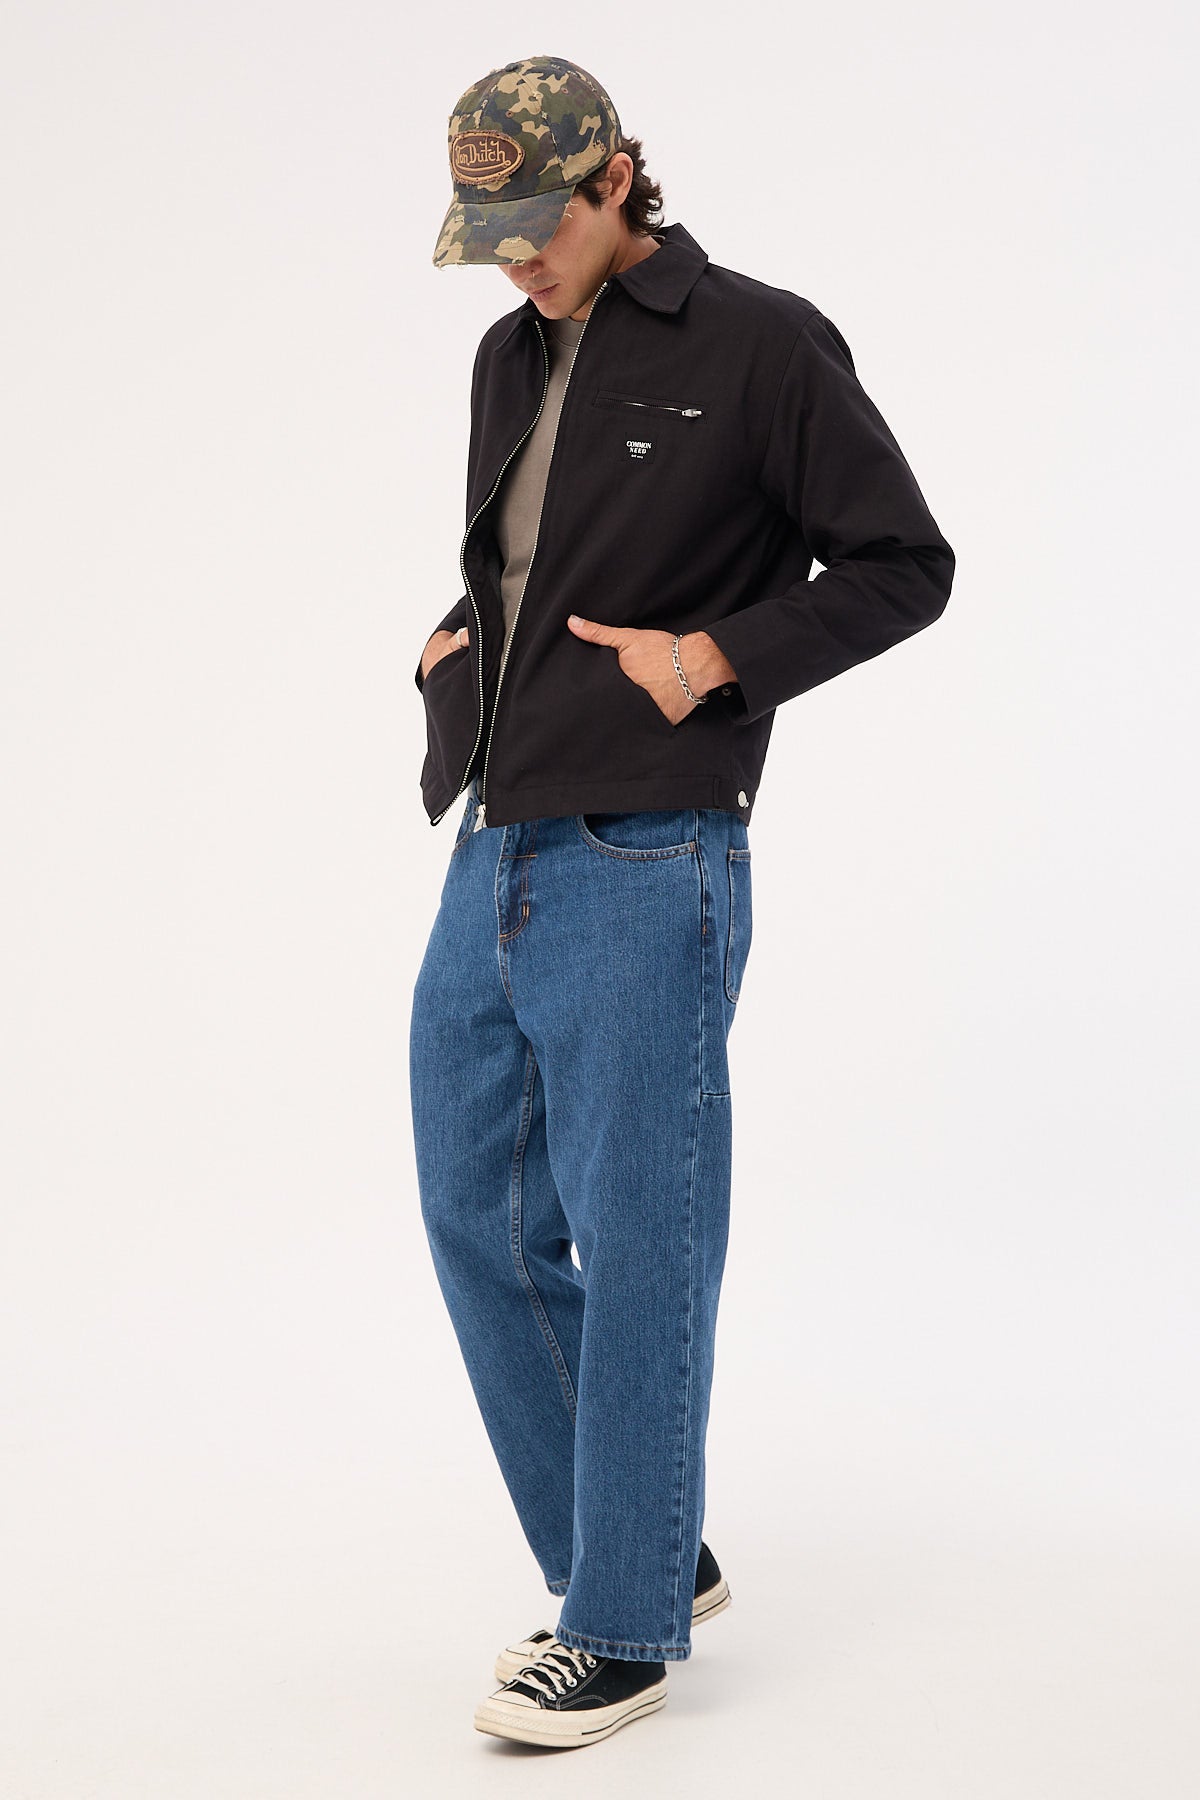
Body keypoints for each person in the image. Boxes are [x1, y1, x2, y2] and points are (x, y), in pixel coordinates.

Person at [408, 54, 955, 1749]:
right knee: (474, 1211)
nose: (516, 259)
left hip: (653, 851)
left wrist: (717, 657)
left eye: (539, 223)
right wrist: (452, 655)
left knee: (643, 1241)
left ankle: (624, 1627)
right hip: (498, 833)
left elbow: (904, 565)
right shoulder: (508, 356)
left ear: (616, 178)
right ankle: (650, 1545)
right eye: (490, 234)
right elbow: (532, 566)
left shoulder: (760, 344)